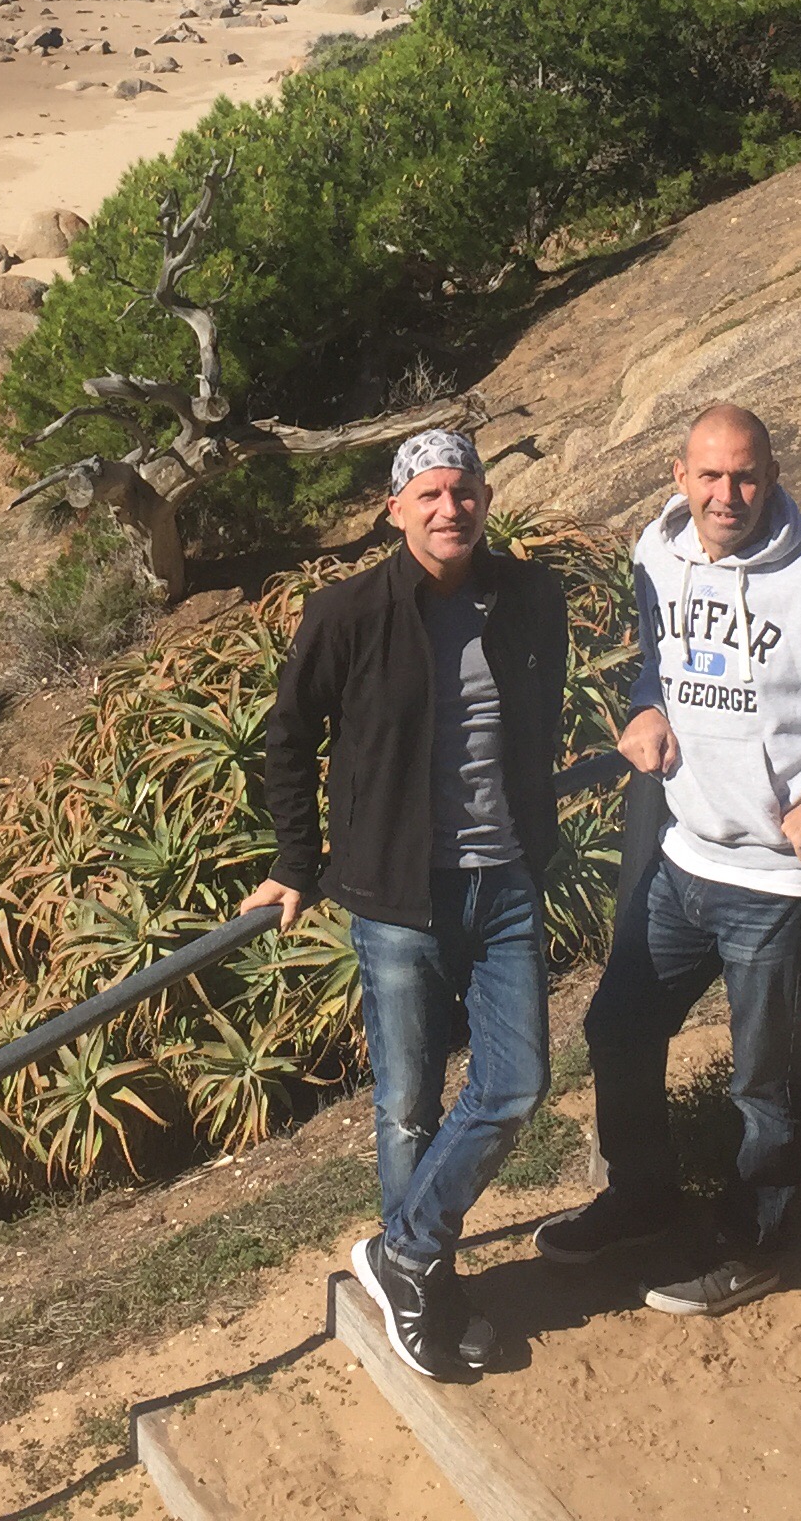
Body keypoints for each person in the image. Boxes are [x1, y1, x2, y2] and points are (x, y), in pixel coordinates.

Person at [534, 401, 801, 1316]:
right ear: (680, 478)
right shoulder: (657, 553)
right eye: (712, 476)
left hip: (776, 884)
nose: (728, 495)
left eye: (747, 476)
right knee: (619, 1029)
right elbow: (658, 652)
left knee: (764, 1078)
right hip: (684, 862)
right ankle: (643, 1194)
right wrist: (645, 705)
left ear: (772, 479)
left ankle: (758, 1237)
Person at [246, 427, 570, 1383]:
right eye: (428, 494)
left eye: (463, 490)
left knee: (516, 1084)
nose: (448, 508)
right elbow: (287, 735)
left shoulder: (530, 597)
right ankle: (431, 1282)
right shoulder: (349, 612)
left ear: (485, 499)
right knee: (405, 1106)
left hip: (503, 883)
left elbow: (542, 714)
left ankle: (404, 1254)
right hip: (395, 897)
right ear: (395, 510)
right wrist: (298, 861)